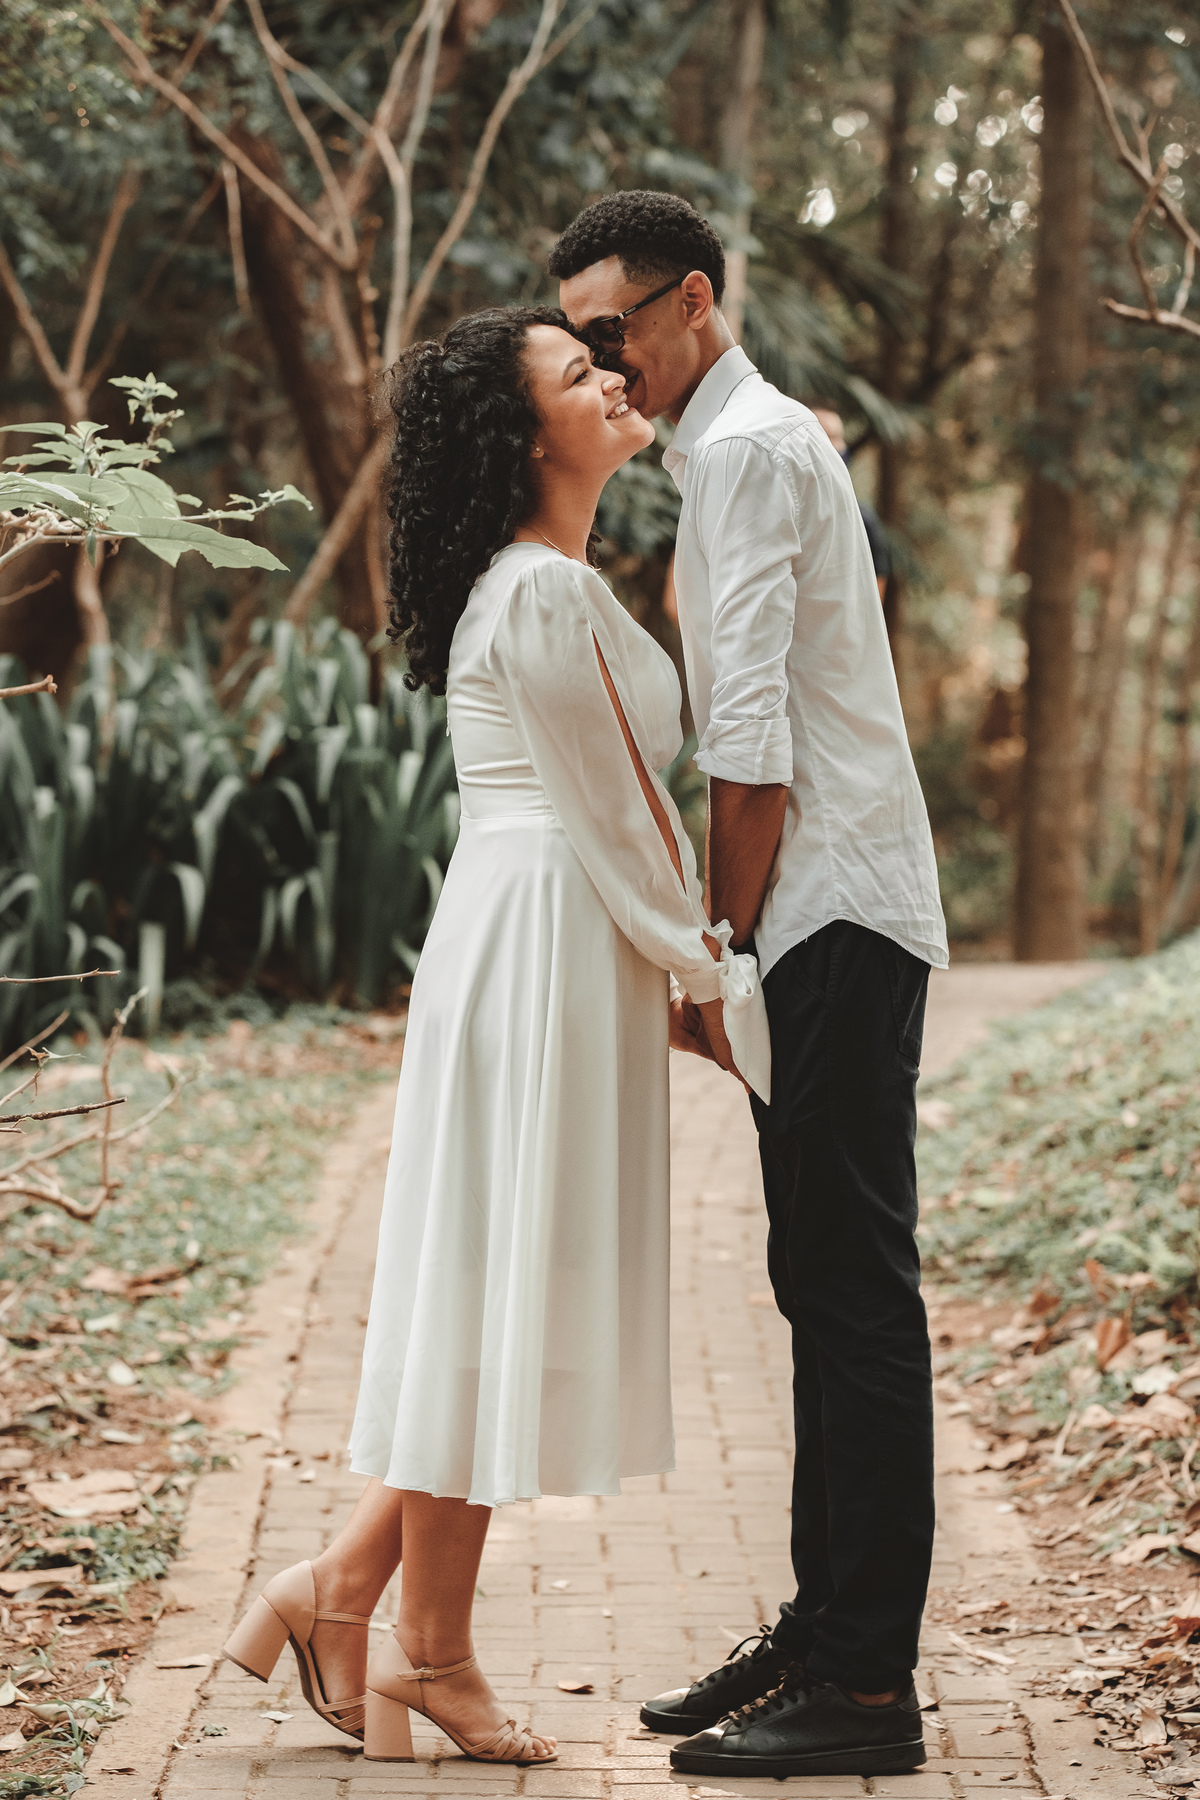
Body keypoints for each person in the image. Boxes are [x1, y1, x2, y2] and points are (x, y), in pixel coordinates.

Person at [220, 305, 769, 1767]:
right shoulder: (538, 595)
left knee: (500, 1294)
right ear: (533, 434)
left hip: (540, 931)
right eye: (580, 374)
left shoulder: (550, 583)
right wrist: (705, 970)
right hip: (543, 936)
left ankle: (351, 1599)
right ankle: (418, 1647)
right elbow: (626, 814)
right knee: (500, 1289)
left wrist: (669, 963)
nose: (614, 378)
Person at [551, 191, 948, 1780]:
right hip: (826, 917)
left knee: (854, 1291)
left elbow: (756, 750)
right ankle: (827, 1623)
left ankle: (866, 1690)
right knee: (819, 1284)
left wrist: (711, 954)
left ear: (693, 303)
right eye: (580, 339)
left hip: (831, 912)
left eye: (612, 331)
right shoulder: (738, 452)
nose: (603, 362)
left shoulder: (753, 453)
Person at [808, 406, 891, 603]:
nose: (839, 447)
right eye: (828, 435)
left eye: (839, 437)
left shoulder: (862, 519)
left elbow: (875, 595)